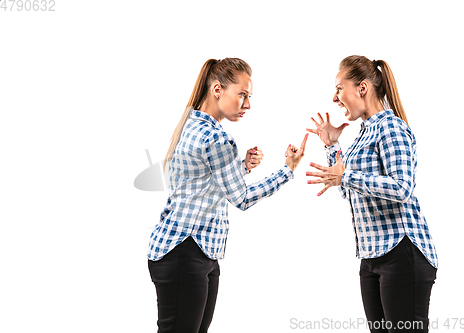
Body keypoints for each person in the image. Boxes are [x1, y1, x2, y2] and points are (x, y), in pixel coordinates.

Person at [147, 57, 309, 333]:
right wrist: (287, 170)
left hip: (194, 251)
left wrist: (241, 167)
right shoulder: (218, 138)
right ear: (218, 90)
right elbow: (241, 199)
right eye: (242, 95)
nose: (248, 104)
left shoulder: (191, 124)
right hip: (186, 253)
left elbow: (201, 182)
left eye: (249, 96)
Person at [305, 55, 438, 333]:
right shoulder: (364, 134)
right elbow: (348, 190)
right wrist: (332, 147)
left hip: (402, 252)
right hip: (372, 257)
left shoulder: (391, 128)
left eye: (339, 88)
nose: (334, 97)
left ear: (362, 88)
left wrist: (347, 176)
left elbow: (402, 188)